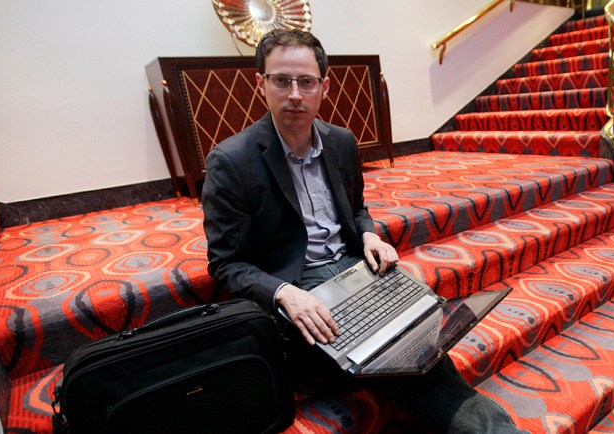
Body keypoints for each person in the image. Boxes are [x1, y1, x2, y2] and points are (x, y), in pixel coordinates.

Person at [202, 28, 524, 433]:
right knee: (392, 344)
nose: (295, 94)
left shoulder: (341, 142)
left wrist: (369, 234)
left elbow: (356, 209)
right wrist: (285, 293)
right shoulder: (231, 160)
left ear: (324, 87)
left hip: (356, 268)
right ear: (260, 83)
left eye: (306, 82)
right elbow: (226, 264)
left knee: (421, 323)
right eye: (282, 80)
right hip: (301, 285)